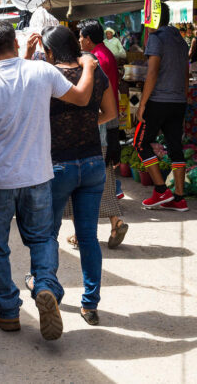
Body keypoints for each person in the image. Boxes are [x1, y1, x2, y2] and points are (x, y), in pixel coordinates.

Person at [0, 20, 97, 340]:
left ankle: (7, 312)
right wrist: (88, 64)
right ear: (16, 44)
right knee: (43, 238)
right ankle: (45, 284)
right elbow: (82, 98)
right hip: (37, 176)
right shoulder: (42, 71)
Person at [37, 25, 117, 325]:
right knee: (88, 237)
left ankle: (50, 292)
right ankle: (90, 303)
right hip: (94, 162)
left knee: (48, 233)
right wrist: (85, 122)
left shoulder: (47, 75)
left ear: (50, 51)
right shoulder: (94, 72)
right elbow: (110, 112)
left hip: (58, 164)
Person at [78, 20, 129, 248]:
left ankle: (113, 223)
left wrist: (110, 131)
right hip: (104, 124)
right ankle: (108, 225)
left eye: (80, 37)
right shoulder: (104, 53)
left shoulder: (96, 60)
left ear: (88, 38)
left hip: (99, 126)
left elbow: (102, 96)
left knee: (97, 180)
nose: (79, 41)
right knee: (101, 178)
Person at [137, 3, 191, 212]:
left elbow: (152, 73)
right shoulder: (181, 40)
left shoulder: (156, 39)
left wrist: (142, 104)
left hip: (158, 101)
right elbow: (185, 75)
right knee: (175, 147)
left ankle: (161, 189)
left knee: (140, 143)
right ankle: (179, 198)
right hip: (178, 101)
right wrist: (183, 99)